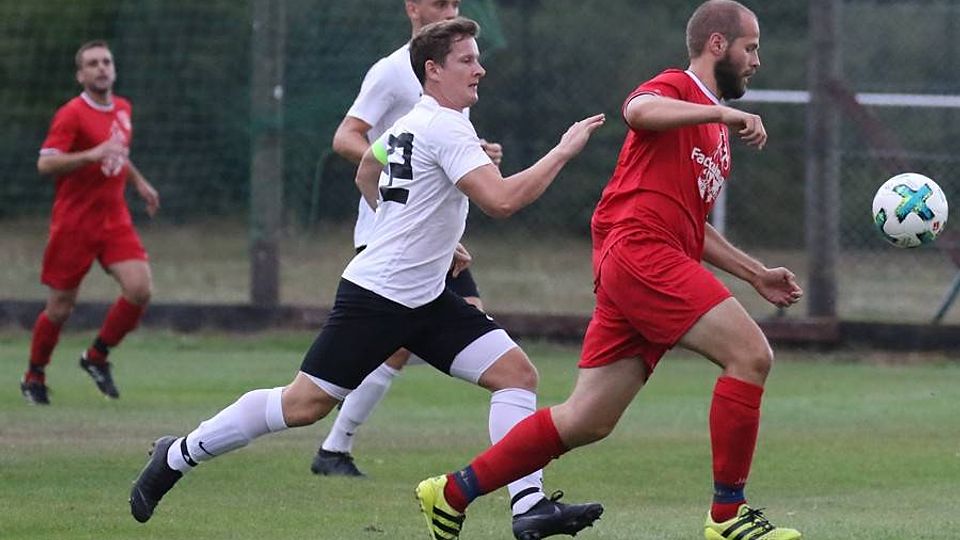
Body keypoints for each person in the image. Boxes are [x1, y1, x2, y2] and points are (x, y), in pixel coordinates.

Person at [130, 18, 606, 540]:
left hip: (426, 298)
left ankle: (529, 505)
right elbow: (503, 201)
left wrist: (421, 235)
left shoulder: (414, 120)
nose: (480, 69)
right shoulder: (446, 126)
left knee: (516, 375)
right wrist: (563, 151)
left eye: (477, 59)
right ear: (433, 69)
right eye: (467, 60)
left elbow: (366, 172)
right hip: (377, 298)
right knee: (303, 405)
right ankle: (176, 454)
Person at [415, 2, 805, 539]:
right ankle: (728, 516)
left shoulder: (711, 129)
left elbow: (691, 225)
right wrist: (720, 114)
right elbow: (638, 110)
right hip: (642, 253)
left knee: (587, 419)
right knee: (750, 354)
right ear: (717, 44)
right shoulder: (682, 89)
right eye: (750, 47)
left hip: (643, 261)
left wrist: (754, 272)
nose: (756, 60)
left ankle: (452, 492)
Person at [316, 0, 502, 481]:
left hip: (430, 235)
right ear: (412, 7)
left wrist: (474, 156)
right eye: (439, 2)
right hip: (392, 229)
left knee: (473, 325)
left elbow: (439, 144)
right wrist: (400, 170)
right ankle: (334, 444)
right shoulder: (392, 70)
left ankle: (335, 445)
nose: (450, 9)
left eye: (455, 2)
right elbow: (346, 136)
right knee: (407, 343)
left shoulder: (457, 65)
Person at [20, 40, 160, 405]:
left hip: (114, 219)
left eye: (106, 62)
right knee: (60, 307)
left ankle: (96, 357)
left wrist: (139, 182)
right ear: (80, 75)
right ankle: (34, 375)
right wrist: (90, 154)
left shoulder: (123, 109)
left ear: (114, 69)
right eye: (93, 63)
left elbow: (117, 154)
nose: (101, 68)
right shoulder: (71, 114)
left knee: (140, 289)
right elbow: (46, 163)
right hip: (74, 224)